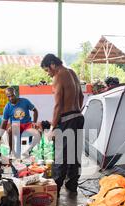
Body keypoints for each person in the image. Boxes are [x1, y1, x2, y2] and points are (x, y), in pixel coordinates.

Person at [41, 53, 85, 196]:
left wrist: (53, 128)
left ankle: (55, 191)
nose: (48, 74)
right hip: (78, 117)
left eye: (47, 70)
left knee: (61, 156)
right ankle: (72, 185)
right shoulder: (72, 72)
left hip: (67, 120)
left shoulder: (58, 76)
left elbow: (58, 105)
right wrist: (75, 111)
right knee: (74, 155)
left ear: (53, 64)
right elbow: (81, 96)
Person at [0, 87, 39, 154]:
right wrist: (0, 135)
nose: (11, 98)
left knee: (39, 132)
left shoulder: (25, 101)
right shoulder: (7, 107)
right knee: (10, 131)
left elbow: (35, 111)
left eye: (12, 95)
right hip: (16, 125)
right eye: (9, 96)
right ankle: (11, 151)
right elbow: (4, 123)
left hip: (27, 124)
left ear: (16, 94)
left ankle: (32, 151)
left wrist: (34, 123)